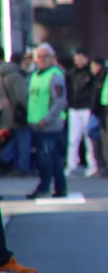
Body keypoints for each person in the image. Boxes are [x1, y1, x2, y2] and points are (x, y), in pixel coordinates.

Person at [26, 43, 69, 199]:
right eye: (39, 56)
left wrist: (48, 119)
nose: (42, 59)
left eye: (45, 56)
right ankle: (60, 187)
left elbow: (60, 101)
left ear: (52, 58)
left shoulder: (54, 76)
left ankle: (44, 187)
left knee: (45, 158)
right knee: (53, 157)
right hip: (36, 122)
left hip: (49, 124)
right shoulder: (35, 75)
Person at [64, 49, 97, 177]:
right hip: (74, 108)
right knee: (73, 139)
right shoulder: (71, 73)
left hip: (86, 108)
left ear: (87, 58)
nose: (78, 61)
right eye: (76, 59)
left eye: (80, 58)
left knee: (88, 138)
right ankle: (71, 165)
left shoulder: (90, 74)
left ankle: (92, 165)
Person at [0, 48, 31, 176]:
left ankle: (5, 160)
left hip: (5, 114)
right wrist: (31, 110)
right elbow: (22, 96)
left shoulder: (2, 75)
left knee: (15, 141)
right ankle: (23, 167)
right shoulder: (15, 76)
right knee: (24, 140)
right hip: (18, 114)